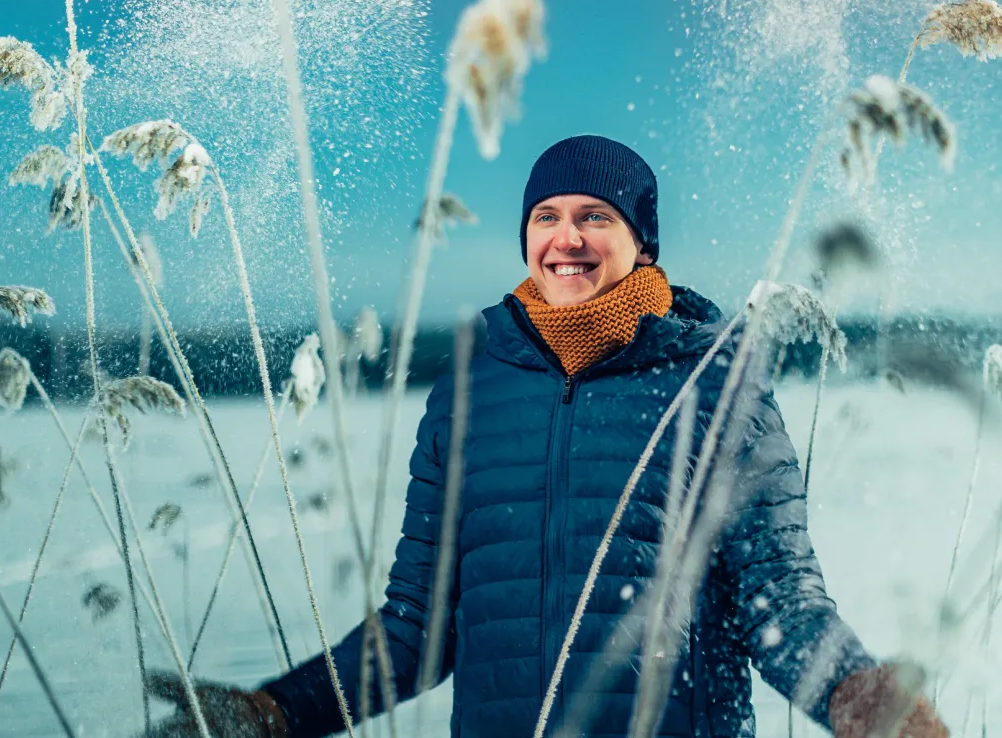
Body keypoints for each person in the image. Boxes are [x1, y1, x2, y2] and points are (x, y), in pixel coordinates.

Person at [144, 135, 949, 738]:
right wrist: (276, 712)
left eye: (596, 217)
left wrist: (857, 694)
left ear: (642, 243)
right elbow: (418, 630)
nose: (567, 238)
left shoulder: (717, 385)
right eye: (547, 216)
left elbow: (779, 602)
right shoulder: (471, 386)